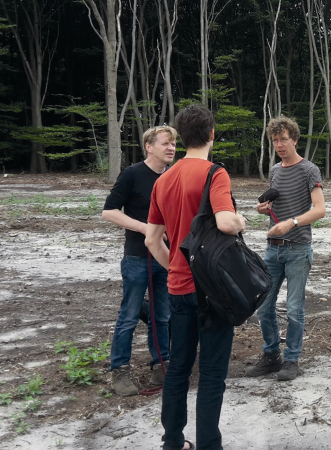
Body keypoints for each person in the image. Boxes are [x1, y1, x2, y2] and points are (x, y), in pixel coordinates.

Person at [146, 105, 246, 450]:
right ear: (212, 135)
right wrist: (241, 220)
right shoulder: (213, 173)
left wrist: (175, 265)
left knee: (178, 369)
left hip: (178, 289)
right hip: (211, 292)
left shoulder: (163, 179)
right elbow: (225, 222)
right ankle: (209, 444)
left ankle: (172, 442)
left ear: (181, 138)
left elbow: (151, 238)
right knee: (213, 373)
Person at [247, 116, 326, 382]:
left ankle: (292, 359)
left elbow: (320, 210)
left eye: (283, 139)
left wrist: (291, 223)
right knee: (264, 307)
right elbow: (274, 202)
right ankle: (271, 356)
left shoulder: (309, 170)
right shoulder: (275, 171)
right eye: (275, 140)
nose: (279, 145)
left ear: (294, 139)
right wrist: (263, 209)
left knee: (294, 309)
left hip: (298, 248)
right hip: (273, 249)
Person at [102, 126, 176, 396]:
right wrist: (146, 228)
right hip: (137, 257)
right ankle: (119, 370)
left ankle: (160, 364)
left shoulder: (172, 176)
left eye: (174, 144)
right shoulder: (132, 174)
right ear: (149, 146)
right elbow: (109, 211)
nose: (171, 148)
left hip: (165, 258)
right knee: (129, 316)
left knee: (162, 316)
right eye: (166, 143)